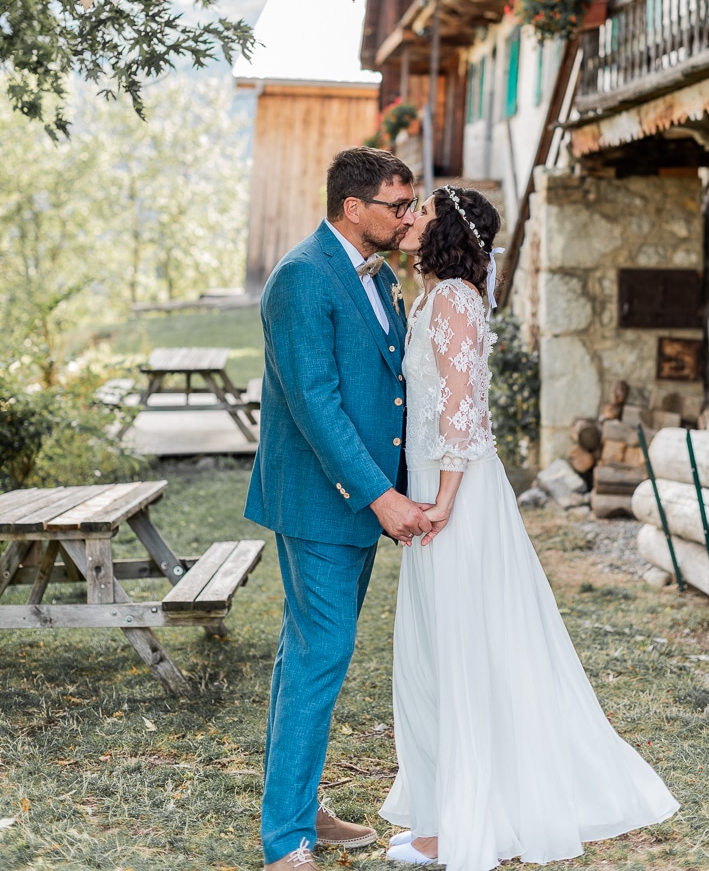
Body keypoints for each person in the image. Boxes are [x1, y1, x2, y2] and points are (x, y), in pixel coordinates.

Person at [380, 185, 679, 871]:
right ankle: (445, 804)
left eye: (420, 210)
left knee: (466, 643)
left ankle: (465, 821)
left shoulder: (453, 298)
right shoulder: (428, 299)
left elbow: (463, 410)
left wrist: (445, 499)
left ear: (445, 232)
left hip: (456, 493)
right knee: (443, 641)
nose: (409, 218)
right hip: (432, 484)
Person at [245, 147, 433, 871]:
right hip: (322, 502)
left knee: (305, 654)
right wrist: (382, 495)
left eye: (411, 205)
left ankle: (300, 807)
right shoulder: (299, 278)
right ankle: (285, 838)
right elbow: (315, 404)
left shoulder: (378, 274)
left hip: (356, 501)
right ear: (353, 208)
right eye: (398, 206)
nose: (408, 217)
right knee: (321, 656)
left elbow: (389, 381)